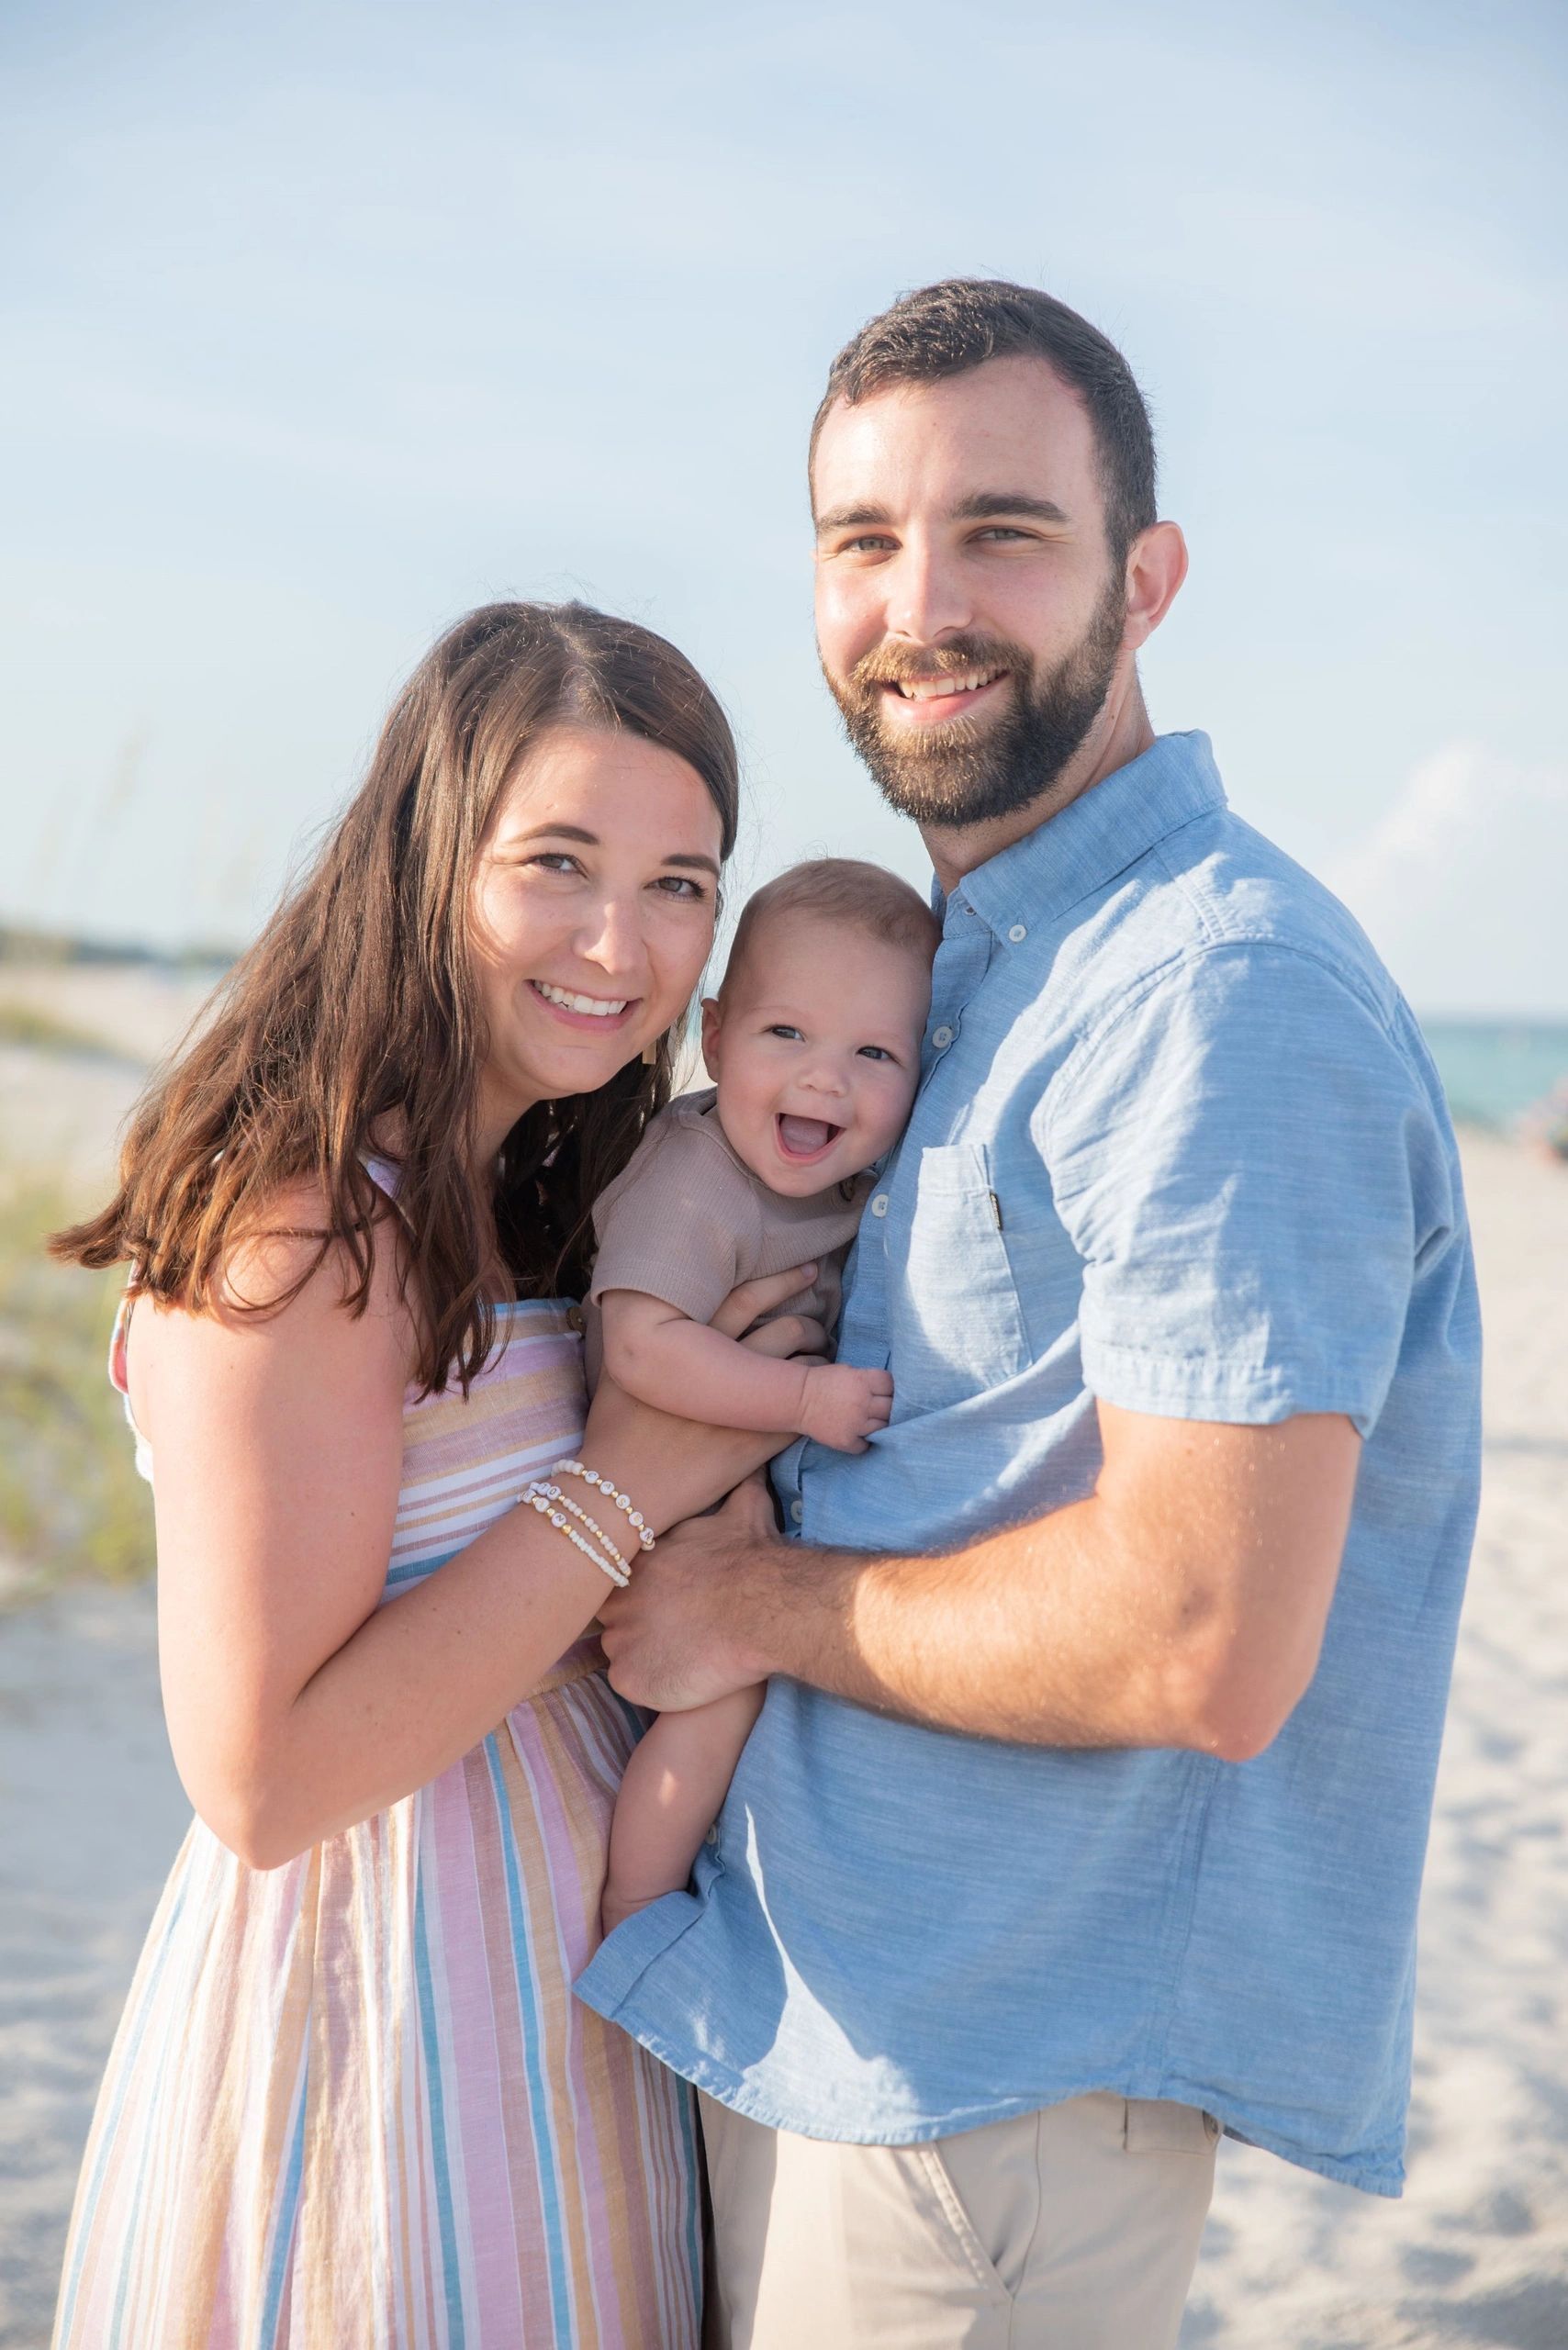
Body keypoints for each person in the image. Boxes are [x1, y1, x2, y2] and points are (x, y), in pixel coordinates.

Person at [577, 282, 1484, 2349]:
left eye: (1001, 530)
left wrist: (746, 1612)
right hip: (831, 2000)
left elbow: (1203, 1632)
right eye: (861, 543)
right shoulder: (965, 975)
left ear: (1141, 580)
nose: (921, 602)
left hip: (1002, 2071)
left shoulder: (1213, 992)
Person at [48, 600, 818, 2349]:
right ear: (428, 856)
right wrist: (628, 1483)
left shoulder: (540, 1194)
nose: (621, 944)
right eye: (558, 862)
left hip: (560, 2000)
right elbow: (263, 1779)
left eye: (682, 884)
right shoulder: (307, 1225)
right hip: (388, 2008)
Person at [588, 857, 936, 1931]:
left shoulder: (839, 1178)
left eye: (873, 1053)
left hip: (734, 1487)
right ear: (716, 1035)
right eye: (786, 1035)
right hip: (654, 1504)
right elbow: (642, 1347)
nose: (824, 1080)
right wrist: (800, 1402)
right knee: (718, 1700)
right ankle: (635, 1906)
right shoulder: (693, 1173)